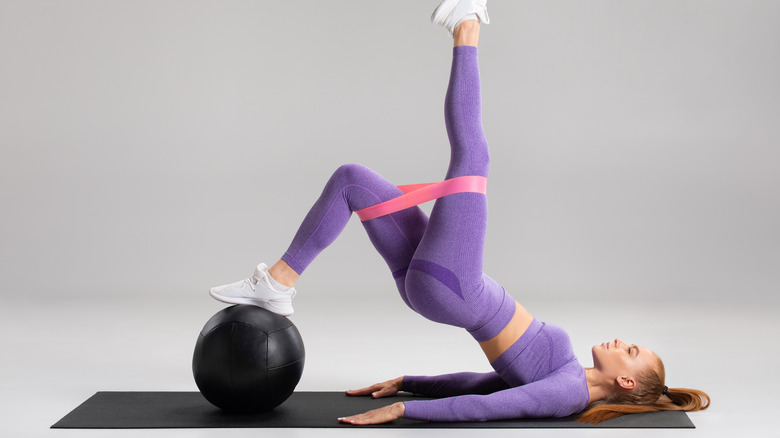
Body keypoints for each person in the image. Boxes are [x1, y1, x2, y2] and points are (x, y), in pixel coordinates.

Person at [209, 0, 710, 425]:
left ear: (625, 379)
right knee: (353, 180)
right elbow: (486, 382)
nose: (625, 342)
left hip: (456, 286)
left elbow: (490, 408)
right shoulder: (568, 375)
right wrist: (410, 383)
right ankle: (277, 282)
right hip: (437, 286)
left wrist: (406, 413)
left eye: (633, 350)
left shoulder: (568, 394)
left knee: (473, 160)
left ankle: (466, 23)